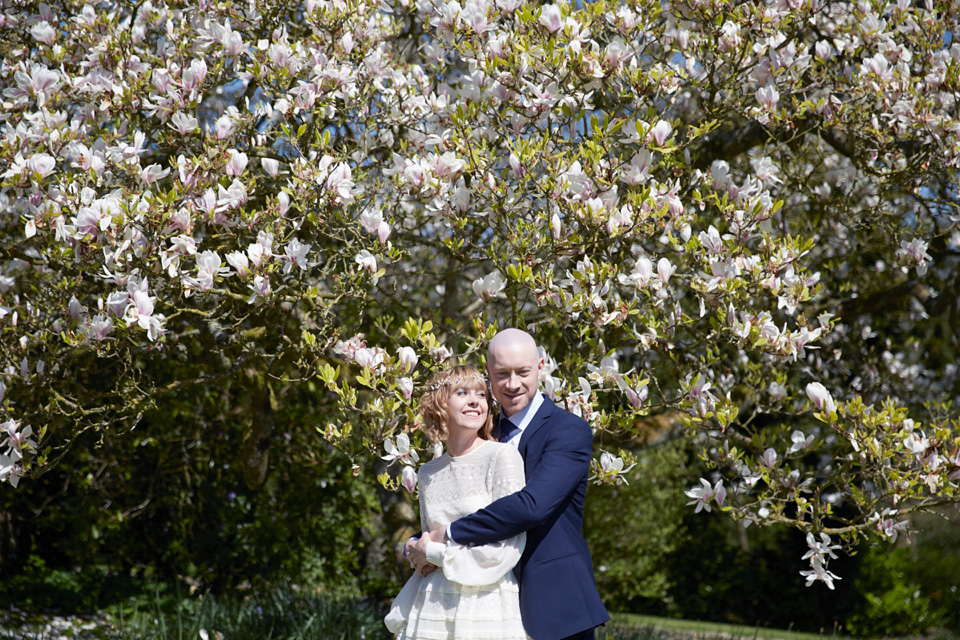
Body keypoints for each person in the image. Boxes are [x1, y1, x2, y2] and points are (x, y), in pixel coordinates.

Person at [407, 329, 610, 640]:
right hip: (484, 599)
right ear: (489, 373)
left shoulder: (568, 430)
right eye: (502, 374)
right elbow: (462, 498)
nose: (513, 384)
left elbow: (533, 506)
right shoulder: (482, 429)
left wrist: (446, 536)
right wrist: (418, 543)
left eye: (523, 372)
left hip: (554, 600)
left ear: (541, 367)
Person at [385, 364, 529, 640]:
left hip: (485, 601)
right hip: (432, 603)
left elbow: (508, 544)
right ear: (440, 406)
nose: (475, 401)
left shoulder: (502, 457)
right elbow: (428, 542)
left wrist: (434, 554)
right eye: (462, 393)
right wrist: (414, 550)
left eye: (482, 395)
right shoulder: (427, 472)